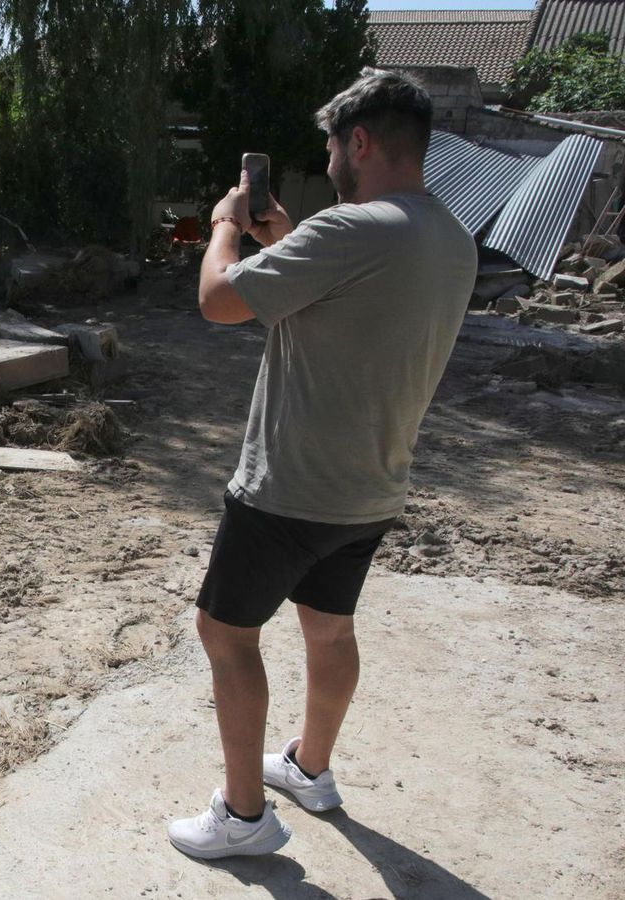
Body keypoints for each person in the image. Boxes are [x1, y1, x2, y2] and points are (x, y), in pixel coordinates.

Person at [166, 68, 477, 859]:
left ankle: (241, 817)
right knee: (329, 628)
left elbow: (218, 301)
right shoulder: (446, 233)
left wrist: (224, 228)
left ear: (360, 141)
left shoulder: (348, 231)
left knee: (225, 634)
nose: (330, 154)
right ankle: (310, 768)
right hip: (370, 487)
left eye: (333, 143)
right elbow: (344, 291)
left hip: (288, 487)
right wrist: (286, 240)